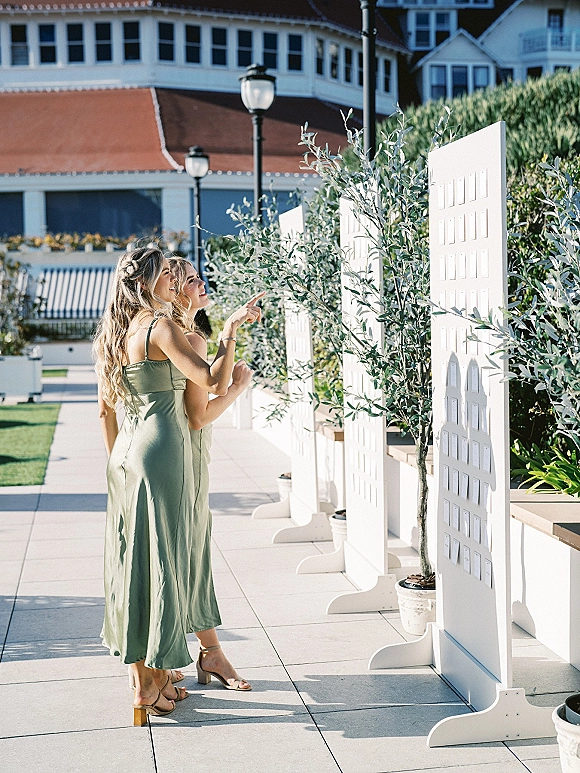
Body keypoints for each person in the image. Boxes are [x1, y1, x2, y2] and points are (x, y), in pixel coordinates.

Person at [93, 246, 262, 725]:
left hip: (127, 453)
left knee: (135, 564)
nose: (173, 279)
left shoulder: (118, 331)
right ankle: (150, 680)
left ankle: (149, 677)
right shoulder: (161, 327)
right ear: (147, 281)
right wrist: (228, 333)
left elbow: (104, 412)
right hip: (163, 451)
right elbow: (207, 380)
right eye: (167, 273)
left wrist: (122, 464)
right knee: (164, 560)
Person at [169, 256, 253, 691]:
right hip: (186, 456)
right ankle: (208, 653)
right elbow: (201, 414)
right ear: (176, 289)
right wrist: (237, 386)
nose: (202, 283)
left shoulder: (184, 337)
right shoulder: (189, 340)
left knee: (191, 551)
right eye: (191, 279)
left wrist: (227, 334)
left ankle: (209, 651)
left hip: (182, 455)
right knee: (190, 552)